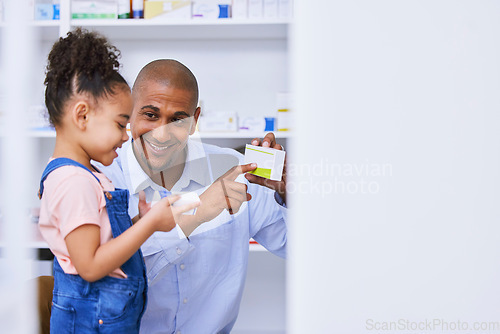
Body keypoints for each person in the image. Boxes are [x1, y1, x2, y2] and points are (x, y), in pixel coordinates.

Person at [98, 59, 288, 334]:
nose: (161, 134)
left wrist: (289, 193)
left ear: (195, 120)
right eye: (150, 115)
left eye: (178, 119)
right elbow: (107, 284)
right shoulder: (103, 179)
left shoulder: (232, 169)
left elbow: (303, 250)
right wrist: (197, 213)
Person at [38, 30, 199, 333]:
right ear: (82, 116)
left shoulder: (86, 175)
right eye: (120, 124)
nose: (127, 136)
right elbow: (91, 266)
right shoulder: (73, 181)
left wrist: (139, 218)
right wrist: (147, 226)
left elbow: (99, 238)